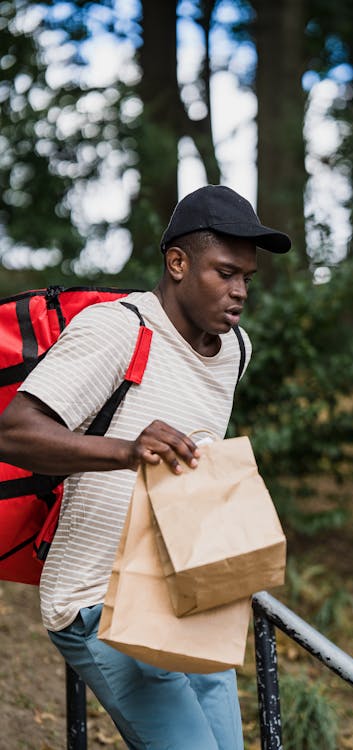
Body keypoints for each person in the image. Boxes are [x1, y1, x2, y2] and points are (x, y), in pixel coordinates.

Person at [0, 184, 291, 750]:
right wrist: (127, 450)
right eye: (225, 273)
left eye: (246, 279)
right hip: (94, 598)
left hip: (182, 591)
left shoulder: (236, 350)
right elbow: (14, 431)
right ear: (177, 263)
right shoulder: (117, 329)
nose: (239, 292)